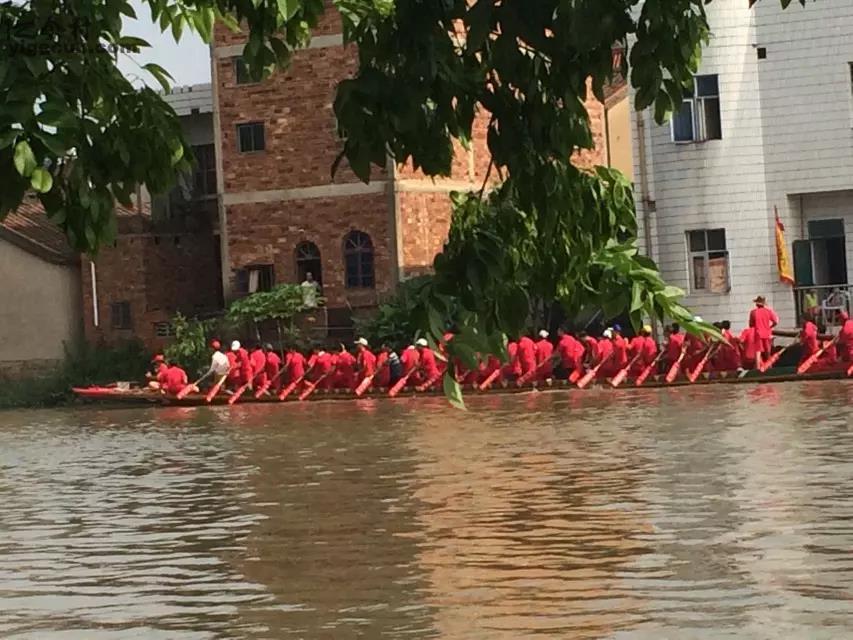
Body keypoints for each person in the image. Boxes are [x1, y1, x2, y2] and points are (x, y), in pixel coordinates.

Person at [749, 296, 779, 369]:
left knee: (758, 351)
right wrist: (770, 327)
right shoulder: (768, 311)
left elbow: (751, 325)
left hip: (758, 333)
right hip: (767, 333)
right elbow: (776, 322)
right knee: (768, 351)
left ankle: (758, 368)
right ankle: (770, 366)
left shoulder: (753, 312)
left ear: (757, 304)